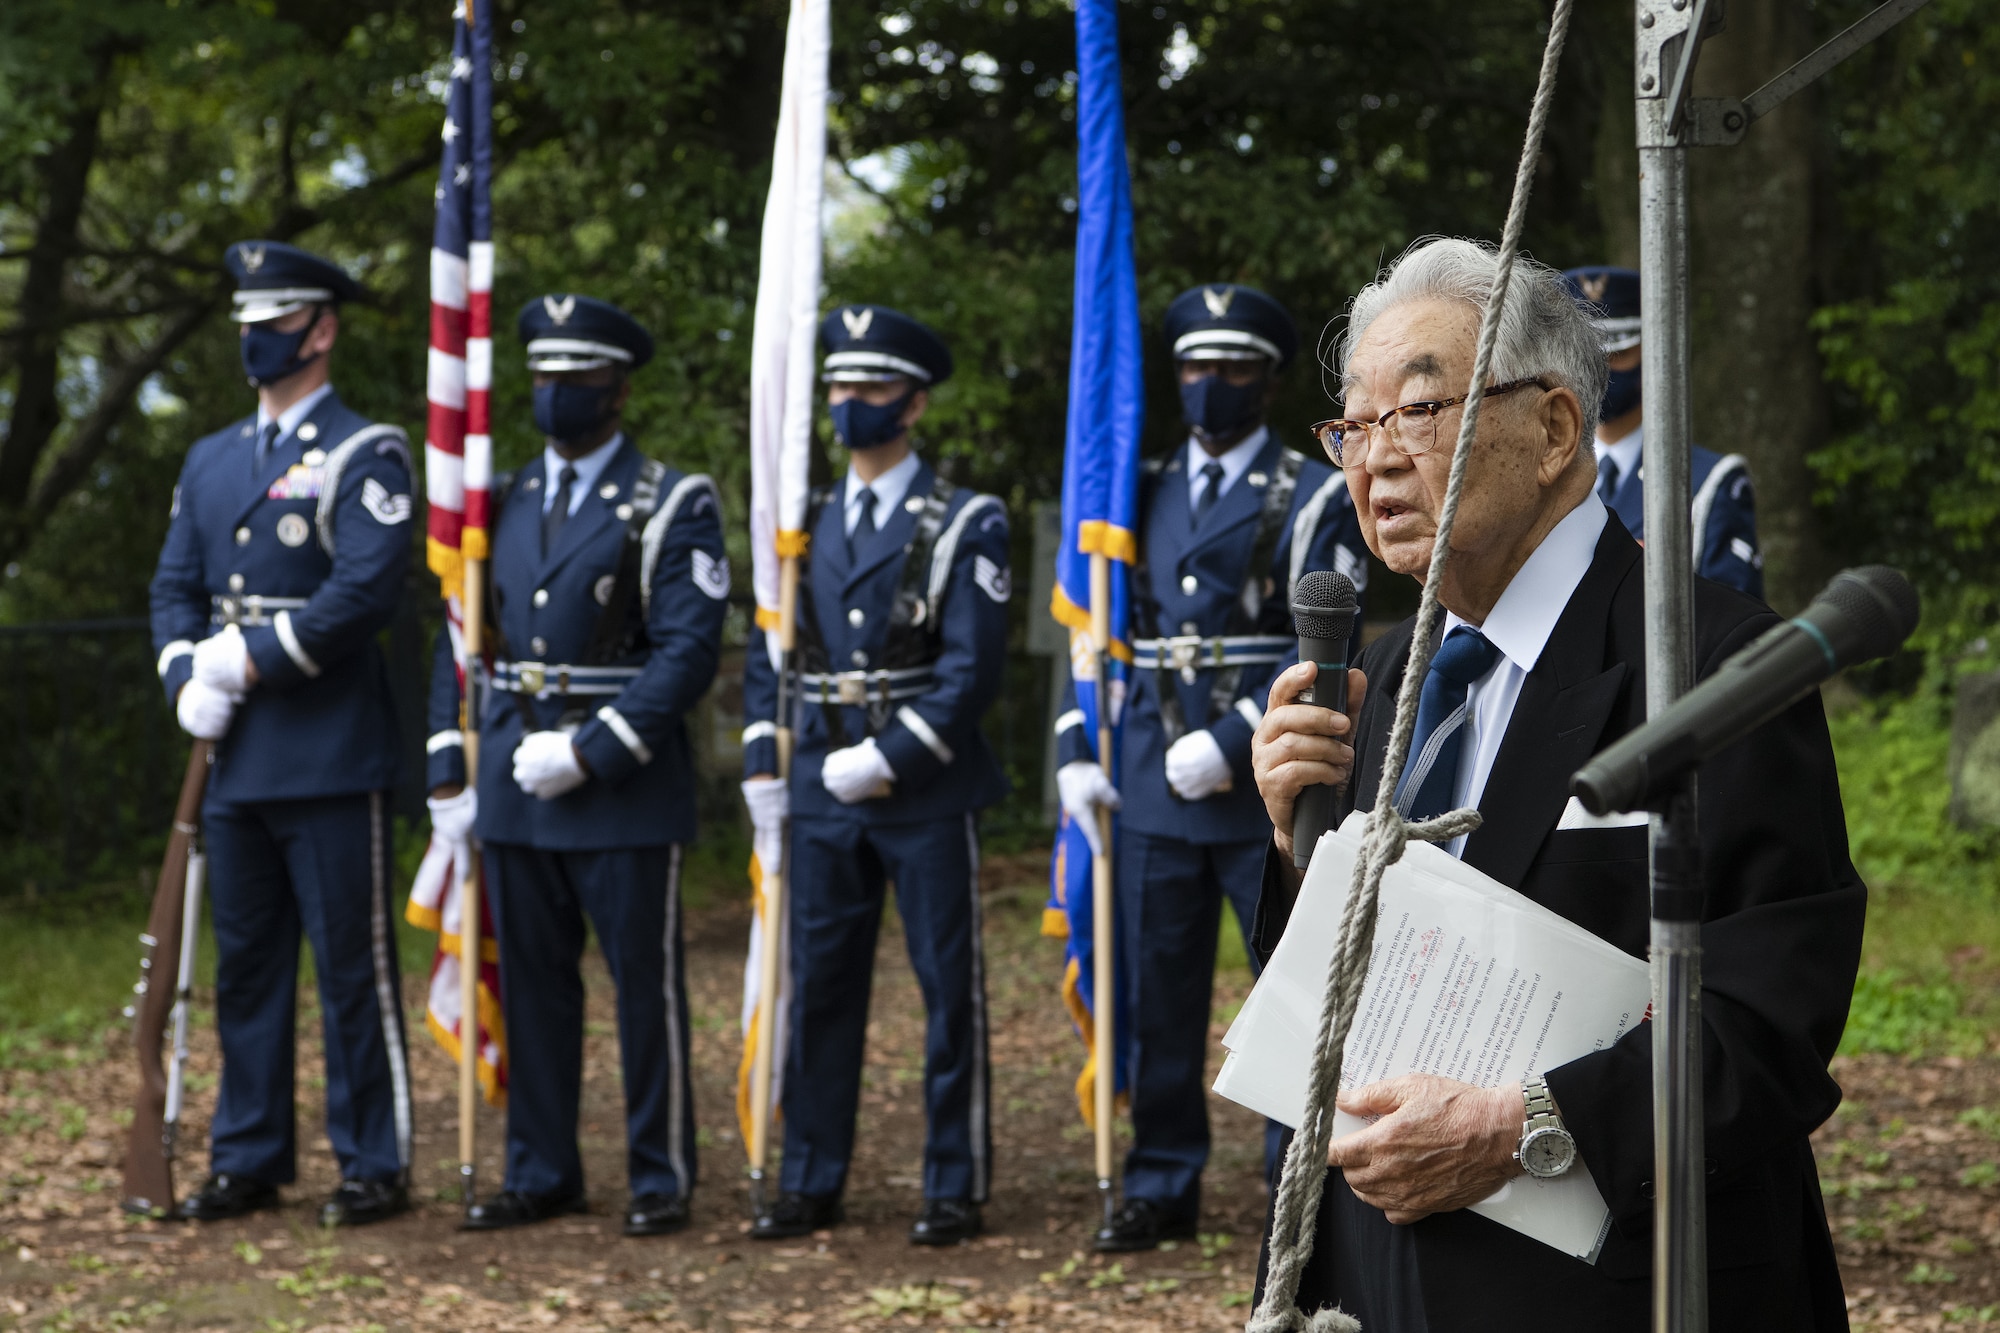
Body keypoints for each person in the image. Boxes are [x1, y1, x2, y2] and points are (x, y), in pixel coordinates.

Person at [1248, 238, 1860, 1328]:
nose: (1371, 460)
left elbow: (1769, 1018)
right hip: (1374, 1282)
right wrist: (1297, 846)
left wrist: (1524, 1122)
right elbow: (1335, 1000)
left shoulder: (1708, 667)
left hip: (1618, 1286)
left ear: (1553, 428)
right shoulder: (1385, 673)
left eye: (1416, 412)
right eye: (1351, 424)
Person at [1052, 283, 1370, 1253]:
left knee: (1283, 988)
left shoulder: (1311, 490)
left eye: (1231, 369)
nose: (1208, 385)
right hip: (1147, 774)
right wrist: (1072, 744)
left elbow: (1325, 630)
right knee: (1154, 989)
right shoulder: (1129, 488)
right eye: (1194, 367)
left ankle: (1293, 1182)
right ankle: (1159, 1179)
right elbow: (1086, 623)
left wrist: (1233, 735)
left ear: (1267, 381)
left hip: (1264, 782)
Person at [428, 295, 728, 1236]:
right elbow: (462, 633)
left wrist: (595, 749)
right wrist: (450, 759)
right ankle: (541, 1166)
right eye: (546, 377)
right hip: (516, 777)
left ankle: (659, 1171)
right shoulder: (501, 500)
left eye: (580, 378)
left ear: (620, 387)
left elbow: (687, 651)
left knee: (644, 987)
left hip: (624, 788)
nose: (560, 394)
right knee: (533, 986)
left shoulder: (673, 501)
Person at [149, 240, 417, 1227]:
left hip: (334, 754)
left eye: (277, 323)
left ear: (322, 329)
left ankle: (374, 1161)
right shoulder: (212, 458)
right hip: (237, 761)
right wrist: (184, 674)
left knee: (354, 970)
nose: (258, 340)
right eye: (248, 325)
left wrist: (251, 658)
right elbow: (174, 587)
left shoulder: (365, 451)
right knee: (246, 968)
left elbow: (364, 590)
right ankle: (249, 1151)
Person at [740, 304, 1010, 1247]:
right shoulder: (802, 517)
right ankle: (812, 1174)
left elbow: (972, 669)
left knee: (948, 989)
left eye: (872, 389)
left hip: (923, 786)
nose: (851, 404)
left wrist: (889, 754)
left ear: (916, 404)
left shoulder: (964, 519)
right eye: (840, 389)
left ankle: (954, 1180)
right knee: (819, 986)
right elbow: (768, 646)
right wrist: (760, 758)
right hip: (819, 778)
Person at [1559, 265, 1764, 598]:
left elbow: (1735, 628)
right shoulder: (1544, 478)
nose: (1600, 373)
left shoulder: (1706, 484)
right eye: (1585, 359)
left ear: (1653, 355)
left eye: (1618, 353)